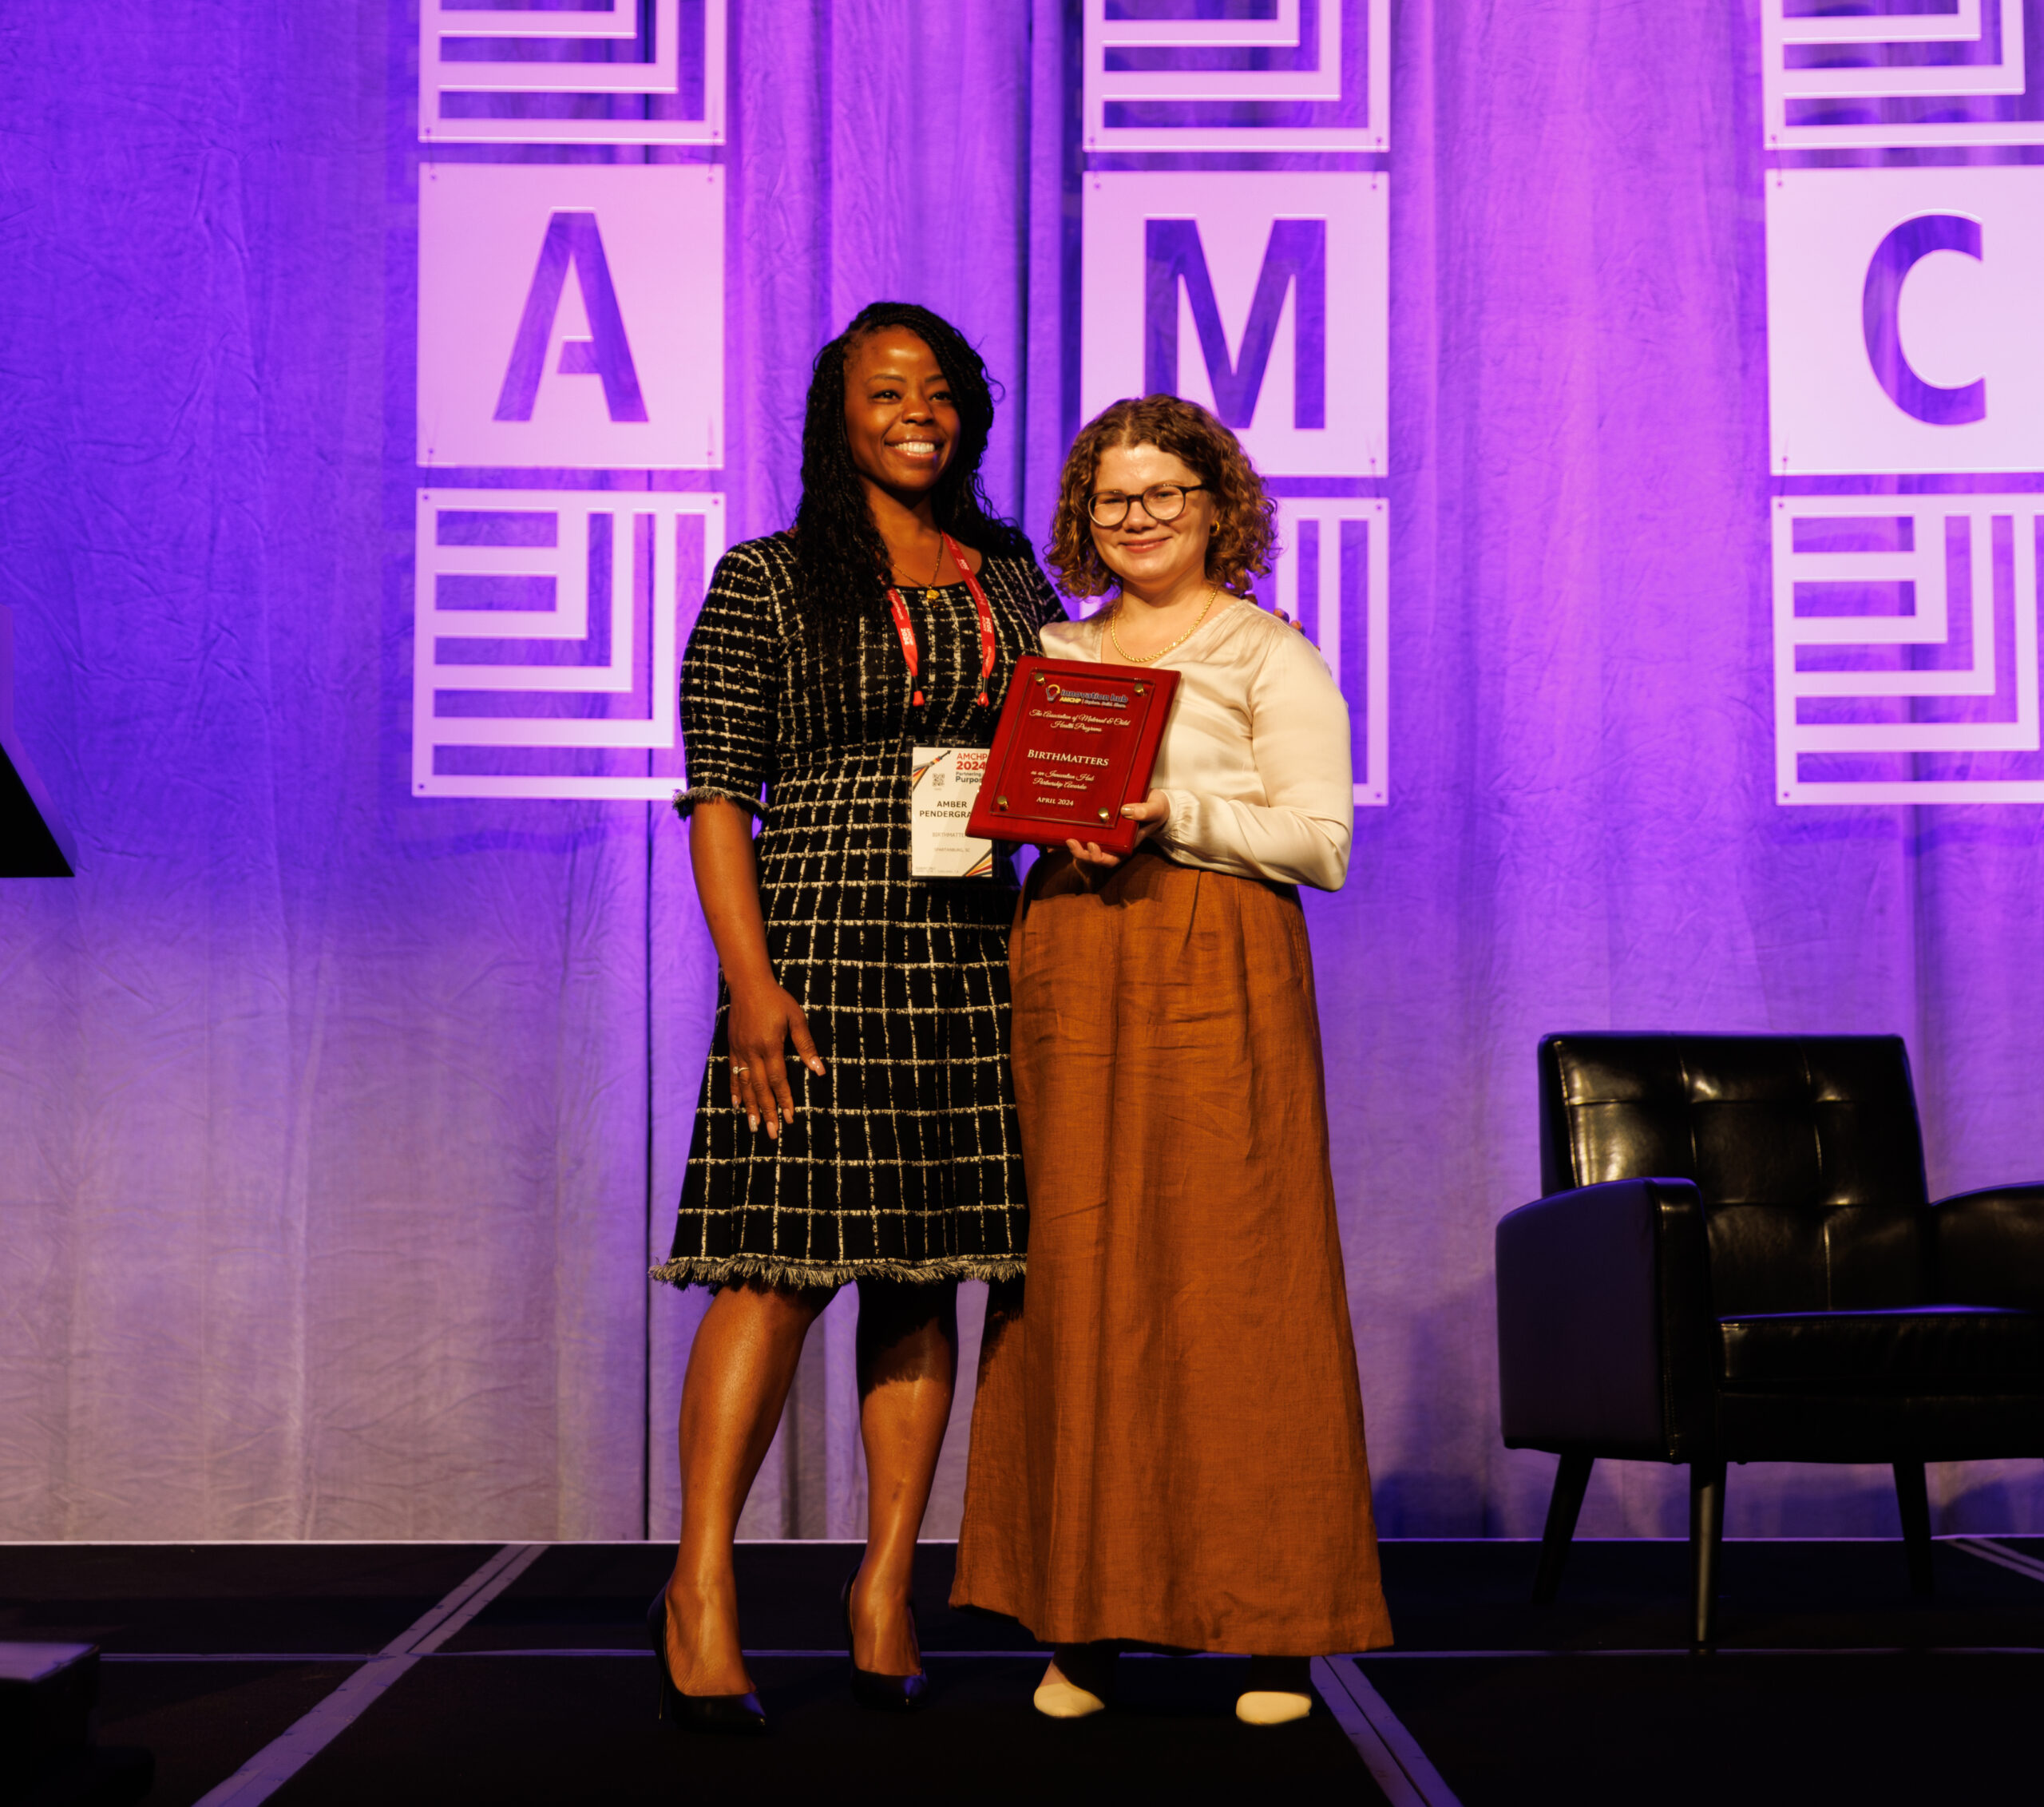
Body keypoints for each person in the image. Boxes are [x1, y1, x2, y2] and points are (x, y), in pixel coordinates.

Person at [649, 303, 1065, 1733]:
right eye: (890, 392)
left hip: (968, 954)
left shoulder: (1012, 576)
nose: (920, 414)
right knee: (772, 1267)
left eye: (942, 393)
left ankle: (885, 1583)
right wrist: (747, 981)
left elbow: (1066, 741)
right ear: (840, 412)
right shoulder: (767, 578)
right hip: (814, 948)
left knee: (925, 1274)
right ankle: (701, 1585)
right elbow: (718, 797)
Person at [951, 394, 1393, 1726]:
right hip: (1073, 963)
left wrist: (1170, 813)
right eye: (1112, 499)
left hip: (1216, 960)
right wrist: (1034, 830)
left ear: (1218, 509)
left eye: (1164, 495)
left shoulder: (1267, 650)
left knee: (1233, 1280)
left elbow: (1321, 841)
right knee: (1077, 1279)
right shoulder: (1054, 649)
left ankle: (1270, 1630)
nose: (1136, 519)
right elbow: (1014, 804)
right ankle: (1081, 1619)